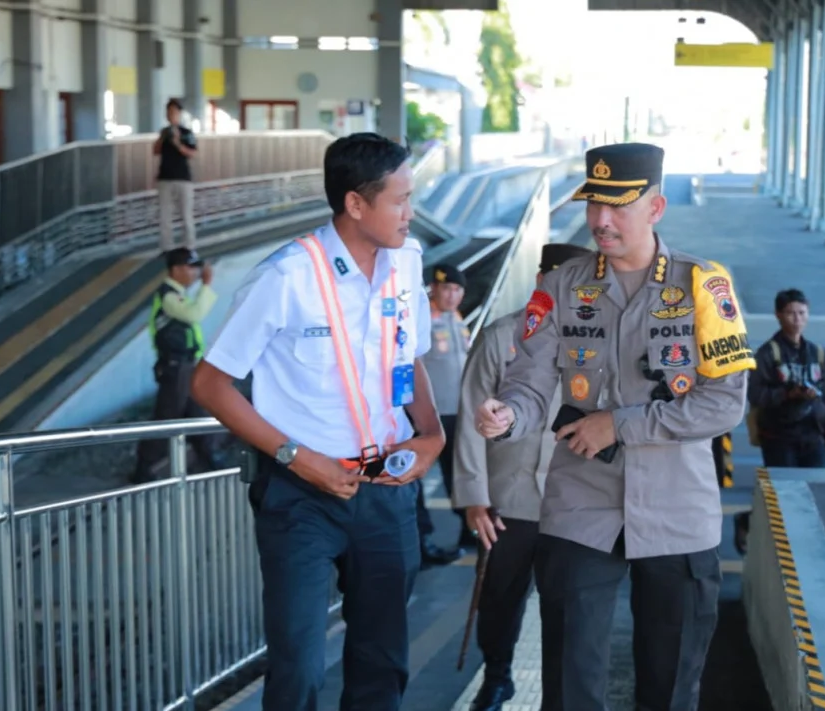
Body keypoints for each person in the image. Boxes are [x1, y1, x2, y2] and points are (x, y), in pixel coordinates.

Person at [474, 143, 752, 710]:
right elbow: (528, 383)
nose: (601, 220)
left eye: (618, 206)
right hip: (581, 505)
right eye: (593, 204)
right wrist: (506, 416)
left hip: (677, 509)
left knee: (669, 686)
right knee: (570, 683)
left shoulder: (702, 284)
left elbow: (724, 403)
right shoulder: (561, 287)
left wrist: (618, 425)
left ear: (656, 208)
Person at [190, 132, 445, 709]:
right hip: (299, 497)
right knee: (300, 665)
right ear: (356, 204)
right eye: (400, 199)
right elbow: (209, 383)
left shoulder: (408, 262)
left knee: (383, 663)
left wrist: (431, 434)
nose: (412, 212)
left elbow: (411, 356)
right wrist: (299, 460)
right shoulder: (286, 276)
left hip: (385, 490)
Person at [453, 242, 593, 711]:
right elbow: (472, 421)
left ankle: (561, 690)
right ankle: (497, 677)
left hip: (573, 502)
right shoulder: (501, 336)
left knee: (568, 605)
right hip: (507, 498)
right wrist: (475, 497)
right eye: (549, 284)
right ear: (537, 283)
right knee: (499, 597)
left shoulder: (597, 343)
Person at [132, 247, 226, 482]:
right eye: (191, 267)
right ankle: (143, 468)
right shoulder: (168, 295)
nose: (195, 272)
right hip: (175, 368)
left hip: (187, 366)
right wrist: (206, 285)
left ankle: (210, 458)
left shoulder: (178, 294)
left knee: (196, 414)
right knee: (166, 418)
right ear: (176, 269)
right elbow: (194, 315)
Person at [416, 262, 475, 563]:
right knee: (414, 478)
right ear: (434, 288)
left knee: (460, 473)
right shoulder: (422, 318)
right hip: (427, 415)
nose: (451, 295)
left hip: (456, 412)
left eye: (457, 289)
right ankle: (421, 541)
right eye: (446, 288)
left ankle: (470, 528)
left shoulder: (456, 318)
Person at [746, 288, 825, 468]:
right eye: (790, 313)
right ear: (778, 315)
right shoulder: (768, 353)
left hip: (813, 435)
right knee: (784, 489)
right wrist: (787, 394)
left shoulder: (817, 352)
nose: (797, 319)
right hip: (778, 437)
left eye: (802, 313)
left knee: (815, 486)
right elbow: (754, 394)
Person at [154, 99, 198, 253]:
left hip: (183, 178)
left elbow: (192, 153)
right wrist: (162, 138)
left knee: (186, 215)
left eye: (174, 112)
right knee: (165, 216)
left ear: (179, 114)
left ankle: (189, 246)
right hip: (165, 178)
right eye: (168, 112)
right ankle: (167, 248)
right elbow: (156, 151)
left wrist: (178, 142)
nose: (171, 115)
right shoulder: (164, 132)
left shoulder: (187, 133)